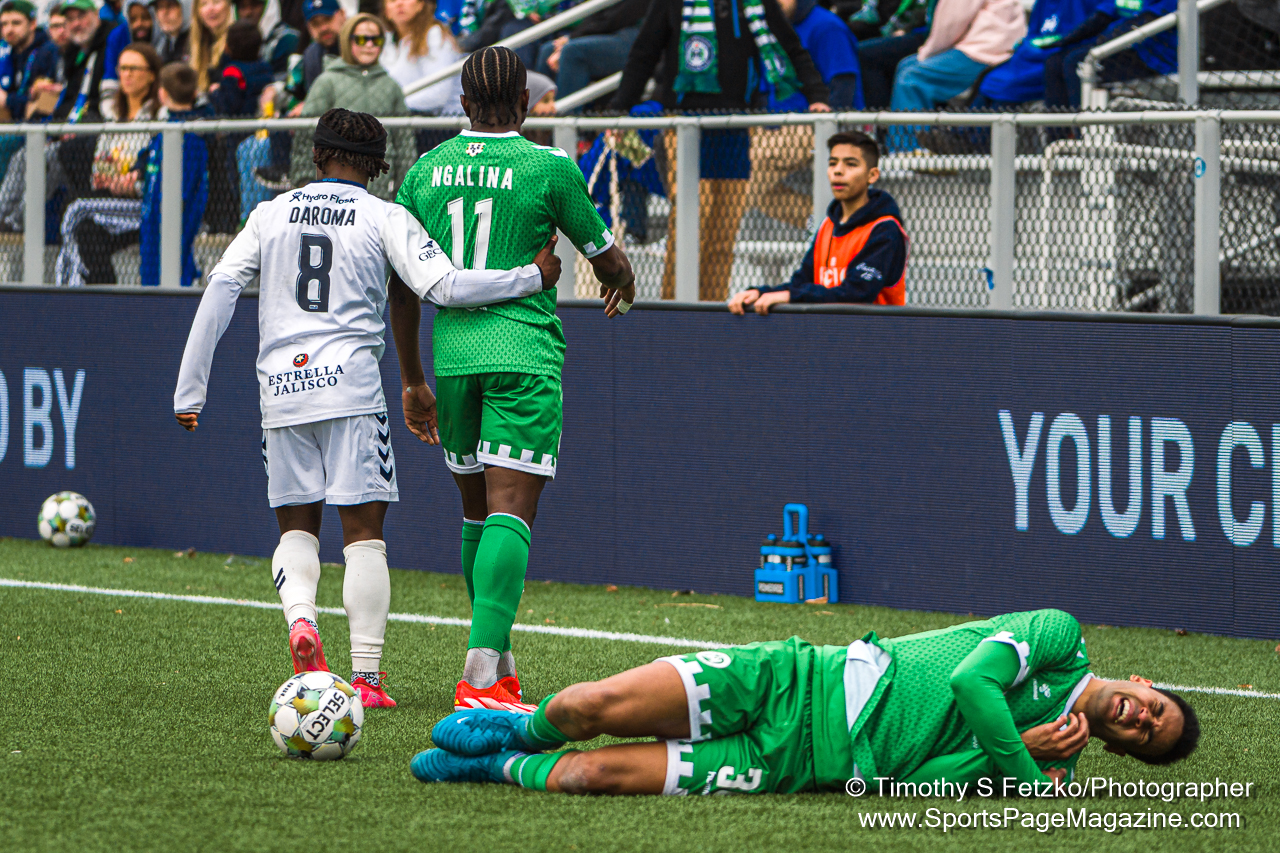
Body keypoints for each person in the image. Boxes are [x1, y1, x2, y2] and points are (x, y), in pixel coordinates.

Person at [173, 107, 562, 709]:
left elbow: (221, 286)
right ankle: (367, 680)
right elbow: (445, 287)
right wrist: (529, 278)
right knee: (363, 536)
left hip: (280, 389)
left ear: (315, 155)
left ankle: (302, 619)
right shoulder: (383, 215)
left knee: (296, 528)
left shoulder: (270, 213)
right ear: (380, 166)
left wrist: (190, 389)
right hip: (351, 389)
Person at [391, 47, 636, 712]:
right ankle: (477, 679)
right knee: (510, 512)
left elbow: (402, 286)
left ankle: (497, 669)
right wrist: (625, 284)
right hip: (523, 354)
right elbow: (606, 257)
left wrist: (412, 378)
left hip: (453, 358)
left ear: (463, 105)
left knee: (476, 514)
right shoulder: (549, 167)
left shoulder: (424, 172)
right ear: (526, 102)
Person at [411, 608, 1201, 795]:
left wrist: (1021, 756)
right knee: (594, 703)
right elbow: (971, 681)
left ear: (1121, 749)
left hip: (796, 761)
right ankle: (519, 725)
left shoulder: (1053, 764)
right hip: (800, 677)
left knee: (593, 774)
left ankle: (496, 766)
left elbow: (914, 784)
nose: (1141, 721)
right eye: (1154, 709)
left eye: (1144, 738)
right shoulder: (1059, 636)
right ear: (1142, 682)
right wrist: (1021, 771)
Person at [610, 0, 830, 301]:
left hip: (736, 126)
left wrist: (817, 95)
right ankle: (674, 309)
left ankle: (710, 311)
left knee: (724, 233)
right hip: (686, 127)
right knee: (690, 226)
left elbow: (790, 45)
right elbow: (644, 52)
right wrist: (619, 109)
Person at [731, 130, 906, 313]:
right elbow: (802, 283)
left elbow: (857, 293)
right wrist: (760, 293)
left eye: (851, 164)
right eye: (832, 163)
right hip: (829, 328)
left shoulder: (884, 229)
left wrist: (791, 296)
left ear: (872, 175)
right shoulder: (827, 226)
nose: (838, 171)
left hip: (875, 330)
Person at [743, 0, 864, 234]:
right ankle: (827, 227)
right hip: (770, 124)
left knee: (743, 176)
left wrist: (829, 135)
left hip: (811, 125)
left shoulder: (826, 26)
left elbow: (842, 87)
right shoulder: (766, 27)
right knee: (754, 186)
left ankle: (693, 230)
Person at [54, 42, 162, 286]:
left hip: (140, 202)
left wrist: (131, 179)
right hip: (109, 198)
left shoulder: (160, 116)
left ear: (152, 75)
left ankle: (75, 292)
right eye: (123, 68)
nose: (127, 74)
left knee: (74, 209)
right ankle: (99, 293)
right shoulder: (112, 115)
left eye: (134, 68)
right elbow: (100, 160)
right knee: (86, 232)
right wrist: (105, 175)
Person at [288, 13, 414, 199]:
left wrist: (404, 192)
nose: (369, 45)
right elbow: (306, 136)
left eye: (376, 40)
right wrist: (304, 181)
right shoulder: (327, 81)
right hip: (331, 195)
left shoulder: (391, 86)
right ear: (347, 40)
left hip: (380, 194)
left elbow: (404, 143)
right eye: (361, 39)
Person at [885, 0, 1025, 152]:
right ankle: (906, 145)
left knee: (911, 78)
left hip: (989, 48)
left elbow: (952, 23)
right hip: (989, 42)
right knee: (905, 65)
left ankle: (909, 152)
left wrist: (926, 53)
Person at [138, 61, 207, 286]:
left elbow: (184, 190)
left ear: (162, 94)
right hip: (154, 218)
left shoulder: (190, 137)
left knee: (173, 269)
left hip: (169, 221)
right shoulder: (165, 134)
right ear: (195, 94)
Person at [1043, 0, 1175, 111]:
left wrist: (1104, 42)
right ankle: (1061, 132)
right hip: (1129, 47)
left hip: (1158, 58)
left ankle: (1083, 130)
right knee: (1054, 63)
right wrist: (1066, 39)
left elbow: (1147, 19)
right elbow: (1103, 16)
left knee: (1076, 62)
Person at [534, 0, 648, 107]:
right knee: (548, 50)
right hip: (609, 31)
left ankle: (563, 118)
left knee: (572, 52)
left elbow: (621, 16)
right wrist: (571, 38)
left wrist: (572, 39)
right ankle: (538, 115)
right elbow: (595, 15)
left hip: (639, 37)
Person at [381, 0, 463, 117]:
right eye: (392, 0)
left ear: (420, 5)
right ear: (386, 11)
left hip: (436, 122)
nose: (399, 3)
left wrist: (393, 104)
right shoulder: (384, 41)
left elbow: (439, 94)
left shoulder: (434, 35)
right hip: (397, 118)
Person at [0, 0, 61, 121]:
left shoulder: (49, 51)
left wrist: (7, 100)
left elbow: (47, 105)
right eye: (4, 24)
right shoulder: (7, 54)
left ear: (33, 24)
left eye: (16, 23)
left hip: (39, 127)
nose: (9, 30)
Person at [207, 18, 271, 114]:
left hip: (242, 120)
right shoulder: (265, 66)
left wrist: (215, 93)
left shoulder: (233, 71)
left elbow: (228, 106)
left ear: (228, 47)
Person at [234, 0, 297, 76]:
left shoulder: (287, 39)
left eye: (255, 5)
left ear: (268, 6)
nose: (248, 12)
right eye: (242, 7)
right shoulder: (233, 43)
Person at [190, 0, 232, 93]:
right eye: (204, 4)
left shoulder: (235, 42)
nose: (210, 9)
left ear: (228, 6)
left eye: (216, 2)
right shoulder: (199, 43)